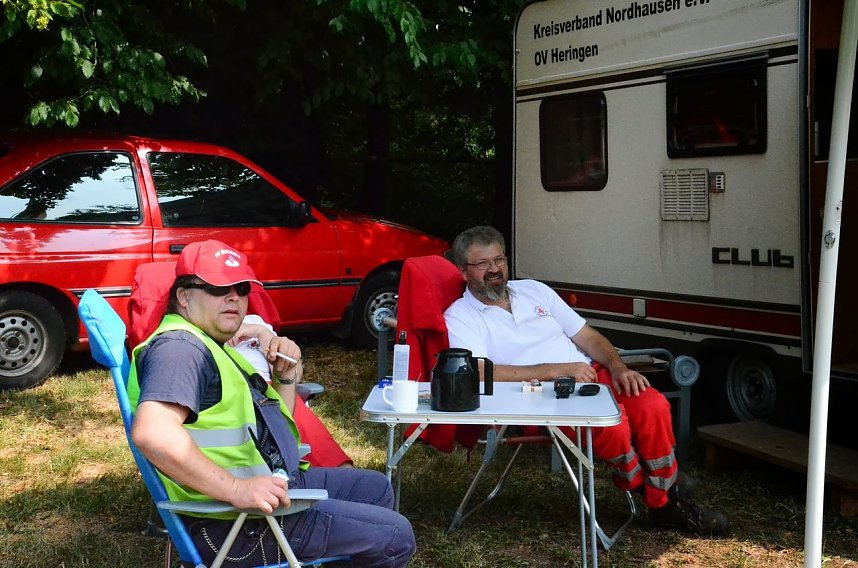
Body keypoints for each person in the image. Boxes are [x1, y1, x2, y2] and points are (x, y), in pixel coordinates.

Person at [127, 239, 415, 566]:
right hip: (232, 523)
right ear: (184, 296)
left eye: (240, 287)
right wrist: (236, 488)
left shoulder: (210, 345)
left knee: (374, 488)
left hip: (263, 491)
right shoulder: (180, 349)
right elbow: (153, 433)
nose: (234, 296)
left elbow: (276, 426)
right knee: (395, 535)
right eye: (218, 288)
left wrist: (286, 376)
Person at [443, 225, 729, 536]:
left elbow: (587, 336)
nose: (495, 269)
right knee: (613, 427)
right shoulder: (461, 315)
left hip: (592, 374)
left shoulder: (534, 290)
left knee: (653, 406)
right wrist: (554, 370)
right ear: (462, 270)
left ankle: (663, 491)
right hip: (543, 395)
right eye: (483, 264)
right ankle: (661, 498)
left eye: (499, 260)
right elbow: (478, 370)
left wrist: (618, 366)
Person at [228, 314, 354, 467]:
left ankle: (339, 472)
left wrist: (260, 332)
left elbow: (296, 375)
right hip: (240, 396)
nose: (232, 298)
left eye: (241, 290)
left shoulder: (255, 322)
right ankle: (337, 473)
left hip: (276, 391)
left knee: (287, 404)